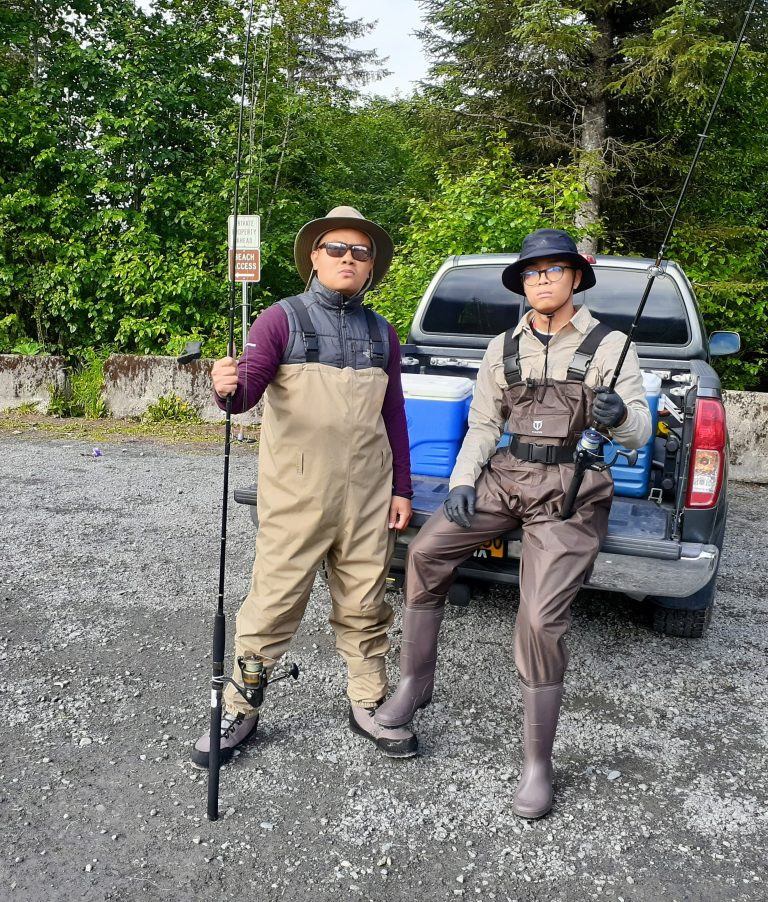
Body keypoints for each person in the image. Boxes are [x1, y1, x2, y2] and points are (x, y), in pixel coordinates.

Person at [374, 228, 652, 817]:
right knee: (424, 555)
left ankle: (536, 765)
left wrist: (620, 414)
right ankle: (414, 684)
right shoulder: (503, 346)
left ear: (577, 278)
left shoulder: (611, 345)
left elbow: (638, 437)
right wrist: (460, 484)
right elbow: (481, 424)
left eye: (555, 269)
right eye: (532, 272)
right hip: (505, 476)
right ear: (522, 283)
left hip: (570, 493)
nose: (542, 279)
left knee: (539, 619)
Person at [192, 206, 417, 767]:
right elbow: (244, 395)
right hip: (296, 499)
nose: (348, 258)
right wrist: (224, 387)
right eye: (336, 248)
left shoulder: (383, 334)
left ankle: (368, 700)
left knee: (367, 602)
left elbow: (395, 417)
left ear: (370, 268)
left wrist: (403, 490)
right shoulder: (279, 321)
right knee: (270, 603)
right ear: (315, 257)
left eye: (360, 252)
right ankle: (240, 706)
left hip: (369, 497)